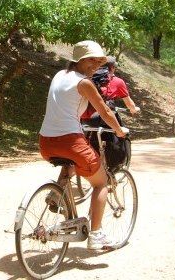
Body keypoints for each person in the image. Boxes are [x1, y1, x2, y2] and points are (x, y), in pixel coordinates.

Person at [39, 41, 128, 251]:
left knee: (70, 163)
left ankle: (57, 193)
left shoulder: (59, 75)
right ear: (79, 59)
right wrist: (118, 130)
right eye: (92, 60)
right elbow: (105, 112)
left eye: (99, 61)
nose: (96, 64)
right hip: (70, 141)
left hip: (45, 141)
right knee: (101, 183)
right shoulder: (84, 83)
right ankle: (96, 234)